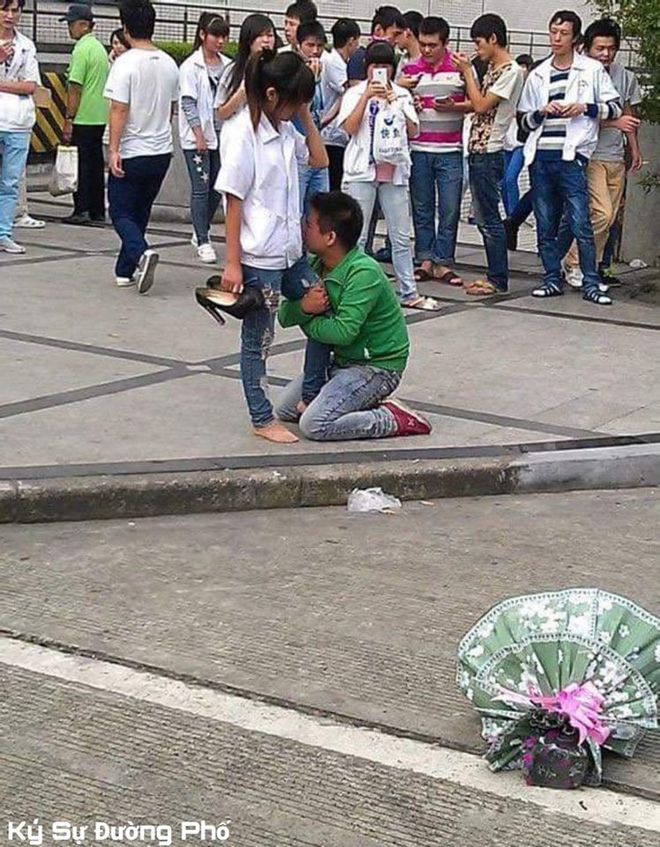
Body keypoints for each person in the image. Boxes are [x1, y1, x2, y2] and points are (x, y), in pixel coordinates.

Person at [214, 50, 330, 444]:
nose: (298, 108)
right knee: (258, 341)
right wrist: (232, 263)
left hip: (290, 252)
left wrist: (304, 114)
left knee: (324, 304)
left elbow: (319, 158)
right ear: (271, 93)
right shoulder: (242, 133)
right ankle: (261, 417)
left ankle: (310, 394)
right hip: (258, 255)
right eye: (295, 100)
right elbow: (233, 199)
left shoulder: (284, 131)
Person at [277, 191, 432, 441]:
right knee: (284, 409)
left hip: (376, 367)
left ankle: (392, 418)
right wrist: (305, 307)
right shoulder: (315, 263)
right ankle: (353, 401)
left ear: (330, 237)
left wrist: (306, 316)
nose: (302, 229)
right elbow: (284, 316)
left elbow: (343, 332)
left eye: (309, 224)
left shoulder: (363, 272)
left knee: (315, 425)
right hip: (341, 363)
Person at [518, 9, 621, 305]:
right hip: (541, 156)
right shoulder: (538, 73)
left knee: (581, 222)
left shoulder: (591, 70)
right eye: (553, 32)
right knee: (545, 222)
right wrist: (541, 112)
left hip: (572, 156)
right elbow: (523, 121)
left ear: (575, 38)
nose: (557, 38)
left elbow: (614, 107)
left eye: (563, 33)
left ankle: (590, 280)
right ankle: (551, 278)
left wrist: (584, 107)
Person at [338, 40, 439, 312]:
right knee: (356, 236)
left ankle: (408, 291)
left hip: (393, 173)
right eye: (375, 66)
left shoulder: (402, 95)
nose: (380, 72)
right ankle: (352, 291)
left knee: (401, 236)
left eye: (385, 67)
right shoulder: (355, 93)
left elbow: (414, 131)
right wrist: (365, 97)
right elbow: (348, 127)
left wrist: (396, 102)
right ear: (367, 68)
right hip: (362, 171)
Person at [558, 18, 643, 289]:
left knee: (608, 219)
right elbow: (575, 117)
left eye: (611, 48)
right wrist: (614, 122)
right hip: (589, 153)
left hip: (615, 156)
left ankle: (587, 268)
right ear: (587, 47)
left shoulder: (625, 76)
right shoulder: (581, 73)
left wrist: (634, 147)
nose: (606, 54)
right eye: (600, 48)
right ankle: (573, 262)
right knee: (602, 213)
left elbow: (628, 112)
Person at [104, 0, 179, 291]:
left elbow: (118, 110)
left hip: (133, 150)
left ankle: (141, 252)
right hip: (161, 150)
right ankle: (125, 270)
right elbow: (171, 108)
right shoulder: (170, 63)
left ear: (125, 28)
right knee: (141, 211)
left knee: (120, 212)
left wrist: (113, 149)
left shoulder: (125, 64)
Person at [452, 14, 524, 297]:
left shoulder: (510, 71)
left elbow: (482, 106)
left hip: (489, 151)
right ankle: (494, 275)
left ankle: (498, 278)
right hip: (479, 149)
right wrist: (454, 105)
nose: (477, 48)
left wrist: (468, 72)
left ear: (493, 38)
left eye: (479, 42)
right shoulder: (495, 68)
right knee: (484, 218)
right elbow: (478, 104)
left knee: (489, 219)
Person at [401, 16, 468, 286]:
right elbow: (395, 101)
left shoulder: (460, 67)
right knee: (422, 207)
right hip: (418, 148)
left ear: (445, 44)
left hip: (450, 148)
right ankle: (425, 259)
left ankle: (443, 261)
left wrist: (454, 106)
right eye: (423, 44)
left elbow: (476, 102)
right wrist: (409, 98)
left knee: (450, 208)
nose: (427, 50)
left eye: (433, 45)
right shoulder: (409, 68)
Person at [179, 13, 230, 264]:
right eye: (216, 35)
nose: (220, 41)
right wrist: (198, 134)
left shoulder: (228, 65)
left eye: (224, 36)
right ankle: (202, 239)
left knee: (215, 190)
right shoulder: (190, 66)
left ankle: (200, 228)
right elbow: (188, 103)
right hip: (198, 137)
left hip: (222, 135)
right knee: (201, 188)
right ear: (202, 35)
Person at [60, 4, 109, 227]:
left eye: (71, 24)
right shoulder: (99, 48)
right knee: (95, 165)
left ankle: (82, 209)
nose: (69, 29)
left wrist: (69, 117)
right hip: (99, 115)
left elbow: (75, 87)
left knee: (82, 166)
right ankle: (97, 210)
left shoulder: (81, 50)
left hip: (83, 116)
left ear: (84, 25)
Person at [0, 0, 40, 254]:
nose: (10, 15)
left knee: (10, 182)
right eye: (5, 9)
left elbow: (31, 85)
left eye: (15, 10)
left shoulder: (26, 45)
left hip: (18, 122)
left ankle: (3, 233)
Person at [320, 17, 360, 191]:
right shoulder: (333, 63)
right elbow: (349, 91)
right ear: (351, 41)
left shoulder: (339, 62)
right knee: (334, 185)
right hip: (330, 135)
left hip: (335, 135)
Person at [294, 19, 329, 215]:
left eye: (320, 46)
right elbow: (300, 107)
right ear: (299, 45)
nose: (315, 50)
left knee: (319, 210)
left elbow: (320, 109)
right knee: (297, 209)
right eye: (310, 45)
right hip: (298, 153)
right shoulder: (295, 71)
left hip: (317, 145)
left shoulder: (321, 69)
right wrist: (311, 80)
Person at [216, 14, 275, 122]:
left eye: (270, 35)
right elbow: (220, 113)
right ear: (248, 39)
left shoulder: (277, 68)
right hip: (239, 134)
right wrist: (242, 93)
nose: (266, 40)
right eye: (260, 36)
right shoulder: (233, 71)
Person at [500, 53, 533, 217]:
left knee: (510, 178)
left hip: (521, 142)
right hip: (506, 141)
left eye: (524, 69)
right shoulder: (509, 87)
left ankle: (514, 216)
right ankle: (509, 215)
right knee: (503, 182)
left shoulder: (530, 91)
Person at [347, 6, 406, 85]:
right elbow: (355, 88)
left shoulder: (396, 58)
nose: (397, 40)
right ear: (378, 30)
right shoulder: (359, 57)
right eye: (395, 34)